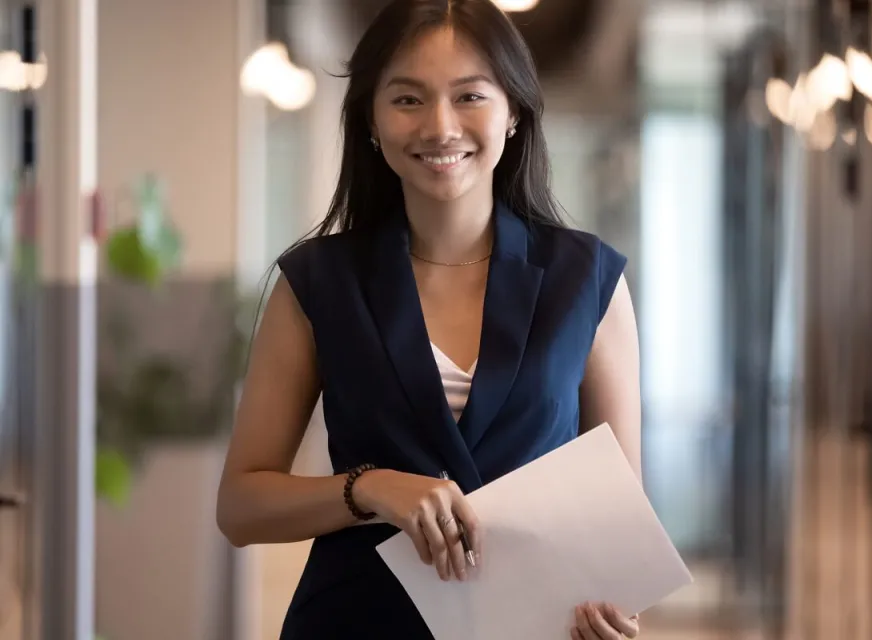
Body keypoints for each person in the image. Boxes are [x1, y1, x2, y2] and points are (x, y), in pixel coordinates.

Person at [216, 0, 643, 637]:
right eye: (408, 99)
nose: (440, 127)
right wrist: (371, 489)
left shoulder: (587, 280)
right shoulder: (317, 283)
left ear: (514, 113)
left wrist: (617, 616)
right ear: (370, 120)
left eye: (469, 96)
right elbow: (241, 507)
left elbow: (621, 518)